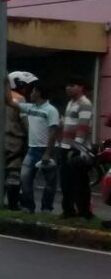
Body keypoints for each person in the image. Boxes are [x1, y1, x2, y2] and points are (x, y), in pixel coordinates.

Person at [6, 82, 59, 213]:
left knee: (50, 182)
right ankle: (28, 206)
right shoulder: (30, 108)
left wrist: (48, 153)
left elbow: (53, 133)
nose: (30, 94)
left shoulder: (51, 110)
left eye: (33, 91)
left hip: (48, 150)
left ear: (39, 93)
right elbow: (9, 101)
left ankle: (46, 207)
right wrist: (6, 82)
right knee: (25, 178)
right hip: (32, 149)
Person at [59, 77, 95, 219]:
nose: (68, 88)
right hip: (65, 146)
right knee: (65, 182)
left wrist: (75, 149)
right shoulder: (70, 103)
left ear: (81, 87)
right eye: (67, 85)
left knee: (79, 183)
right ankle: (68, 211)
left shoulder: (85, 104)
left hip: (77, 149)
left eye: (72, 85)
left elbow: (83, 128)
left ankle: (84, 213)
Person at [4, 72, 34, 210]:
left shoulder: (2, 97)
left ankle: (1, 201)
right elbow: (25, 121)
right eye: (25, 85)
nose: (27, 89)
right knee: (14, 172)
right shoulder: (20, 99)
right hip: (16, 139)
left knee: (3, 172)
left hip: (1, 140)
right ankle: (13, 204)